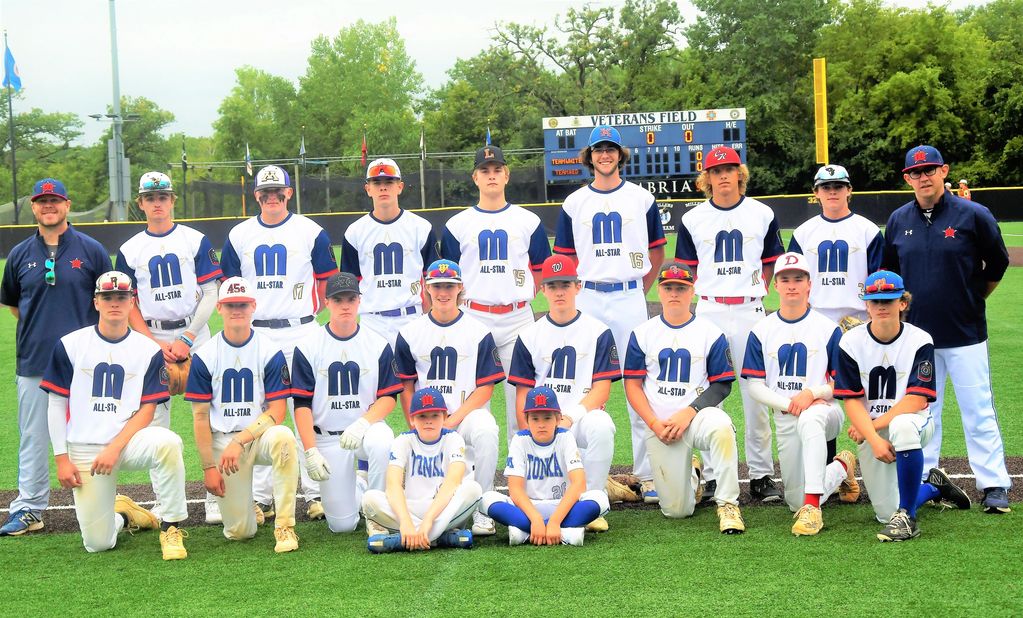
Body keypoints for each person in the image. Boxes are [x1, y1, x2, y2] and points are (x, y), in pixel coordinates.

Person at [882, 145, 1011, 514]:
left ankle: (994, 484)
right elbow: (890, 277)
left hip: (965, 332)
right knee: (923, 413)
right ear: (907, 178)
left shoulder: (973, 214)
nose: (923, 177)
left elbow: (998, 263)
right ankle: (928, 480)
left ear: (944, 171)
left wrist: (973, 297)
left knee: (978, 408)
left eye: (930, 170)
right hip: (918, 338)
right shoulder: (898, 220)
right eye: (915, 172)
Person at [553, 125, 666, 503]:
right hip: (588, 298)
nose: (605, 155)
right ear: (589, 156)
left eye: (611, 149)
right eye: (599, 149)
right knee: (584, 386)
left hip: (629, 296)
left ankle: (648, 475)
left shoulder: (641, 198)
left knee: (639, 381)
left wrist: (636, 290)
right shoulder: (573, 203)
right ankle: (582, 476)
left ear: (620, 155)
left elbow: (656, 253)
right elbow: (566, 259)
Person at [40, 271, 188, 559]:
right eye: (107, 297)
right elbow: (56, 404)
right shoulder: (70, 345)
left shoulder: (147, 349)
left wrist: (115, 447)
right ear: (96, 302)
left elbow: (148, 409)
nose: (114, 303)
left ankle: (171, 527)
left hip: (128, 442)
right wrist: (61, 458)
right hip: (86, 447)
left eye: (121, 297)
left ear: (132, 302)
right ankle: (123, 515)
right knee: (97, 543)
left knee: (168, 442)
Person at [221, 164, 339, 521]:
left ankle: (315, 492)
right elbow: (229, 285)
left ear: (289, 193)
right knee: (260, 411)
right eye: (265, 193)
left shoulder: (309, 230)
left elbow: (326, 280)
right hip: (257, 331)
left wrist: (312, 313)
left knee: (307, 406)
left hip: (301, 328)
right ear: (255, 196)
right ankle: (261, 498)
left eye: (278, 192)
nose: (272, 198)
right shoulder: (239, 234)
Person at [0, 178, 112, 537]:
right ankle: (30, 508)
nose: (48, 206)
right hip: (35, 360)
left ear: (67, 204)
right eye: (42, 201)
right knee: (33, 435)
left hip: (83, 363)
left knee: (90, 434)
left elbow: (108, 303)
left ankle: (99, 502)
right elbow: (15, 306)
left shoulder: (91, 250)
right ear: (33, 207)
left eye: (55, 200)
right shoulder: (18, 254)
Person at [675, 145, 785, 505]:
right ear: (705, 178)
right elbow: (685, 270)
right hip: (709, 311)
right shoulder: (692, 218)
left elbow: (772, 263)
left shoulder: (762, 213)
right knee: (708, 396)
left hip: (750, 310)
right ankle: (712, 476)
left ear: (741, 173)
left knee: (757, 393)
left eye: (729, 169)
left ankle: (761, 473)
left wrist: (756, 291)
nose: (723, 175)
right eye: (715, 171)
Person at [115, 171, 223, 523]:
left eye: (163, 197)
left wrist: (188, 337)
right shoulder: (130, 249)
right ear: (141, 204)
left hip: (195, 333)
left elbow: (210, 292)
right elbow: (128, 301)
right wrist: (151, 342)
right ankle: (165, 503)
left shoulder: (194, 239)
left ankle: (215, 499)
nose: (157, 203)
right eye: (150, 198)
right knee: (156, 423)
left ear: (172, 200)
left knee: (211, 414)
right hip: (151, 338)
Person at [834, 270, 972, 541]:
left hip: (916, 421)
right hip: (873, 429)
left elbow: (917, 399)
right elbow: (851, 399)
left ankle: (907, 516)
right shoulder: (850, 342)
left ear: (903, 303)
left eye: (889, 299)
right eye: (875, 301)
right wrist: (873, 438)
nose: (882, 306)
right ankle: (933, 486)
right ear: (866, 305)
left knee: (902, 426)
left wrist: (871, 428)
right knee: (885, 513)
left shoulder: (920, 339)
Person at [741, 252, 860, 536]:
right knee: (794, 501)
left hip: (824, 412)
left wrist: (813, 393)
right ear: (775, 286)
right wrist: (792, 403)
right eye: (785, 279)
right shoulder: (761, 330)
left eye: (798, 278)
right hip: (786, 416)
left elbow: (842, 384)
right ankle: (842, 465)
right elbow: (755, 386)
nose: (792, 284)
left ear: (809, 284)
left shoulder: (828, 329)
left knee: (811, 420)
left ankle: (814, 510)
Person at [622, 263, 746, 534]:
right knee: (677, 512)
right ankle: (692, 472)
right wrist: (654, 424)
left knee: (722, 426)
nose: (674, 293)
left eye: (681, 287)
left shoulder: (710, 332)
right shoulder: (642, 333)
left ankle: (727, 503)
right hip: (662, 426)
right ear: (659, 290)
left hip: (697, 418)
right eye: (668, 287)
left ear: (693, 291)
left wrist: (688, 412)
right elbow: (632, 385)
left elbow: (722, 385)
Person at [440, 145, 551, 441]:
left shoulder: (528, 221)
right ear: (475, 178)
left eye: (497, 170)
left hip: (518, 318)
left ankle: (524, 472)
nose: (491, 175)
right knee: (474, 404)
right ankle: (474, 479)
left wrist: (519, 293)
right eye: (485, 171)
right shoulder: (457, 224)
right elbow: (446, 276)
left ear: (506, 176)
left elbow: (542, 269)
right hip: (474, 316)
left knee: (523, 401)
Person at [185, 276, 300, 553]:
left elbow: (277, 411)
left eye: (243, 304)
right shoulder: (205, 354)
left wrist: (241, 441)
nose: (237, 309)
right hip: (223, 442)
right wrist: (208, 468)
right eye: (230, 304)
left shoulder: (269, 350)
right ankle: (247, 508)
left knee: (284, 437)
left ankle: (285, 525)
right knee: (240, 532)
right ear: (219, 308)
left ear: (253, 307)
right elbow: (200, 417)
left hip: (257, 436)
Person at [507, 254, 618, 532]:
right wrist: (527, 435)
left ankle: (588, 503)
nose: (559, 292)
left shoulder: (598, 331)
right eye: (553, 285)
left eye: (565, 285)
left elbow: (602, 388)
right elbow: (523, 393)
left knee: (602, 425)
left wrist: (570, 418)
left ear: (577, 286)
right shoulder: (528, 335)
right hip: (542, 422)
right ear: (542, 289)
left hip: (578, 418)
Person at [393, 259, 503, 536]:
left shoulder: (479, 331)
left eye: (449, 286)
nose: (443, 292)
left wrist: (453, 420)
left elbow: (485, 388)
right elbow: (406, 385)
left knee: (487, 428)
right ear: (427, 289)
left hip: (462, 416)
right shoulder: (410, 333)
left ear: (460, 288)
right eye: (437, 286)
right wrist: (412, 422)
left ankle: (482, 507)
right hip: (426, 420)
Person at [290, 272, 400, 533]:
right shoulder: (308, 346)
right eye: (338, 300)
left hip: (365, 430)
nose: (345, 305)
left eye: (351, 299)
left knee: (383, 441)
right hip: (327, 438)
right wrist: (310, 450)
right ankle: (359, 486)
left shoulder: (377, 343)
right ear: (327, 302)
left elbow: (388, 397)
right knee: (342, 526)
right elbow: (301, 405)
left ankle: (377, 512)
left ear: (359, 301)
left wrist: (363, 423)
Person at [479, 386, 610, 546]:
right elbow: (515, 489)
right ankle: (565, 533)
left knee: (600, 499)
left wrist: (554, 521)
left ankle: (525, 533)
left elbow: (578, 484)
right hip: (528, 508)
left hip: (562, 506)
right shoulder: (520, 440)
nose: (541, 424)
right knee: (486, 500)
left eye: (547, 418)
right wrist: (535, 519)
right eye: (535, 418)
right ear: (526, 419)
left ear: (558, 418)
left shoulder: (565, 437)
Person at [361, 387, 483, 553]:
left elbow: (452, 483)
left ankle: (409, 538)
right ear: (412, 419)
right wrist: (405, 522)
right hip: (411, 509)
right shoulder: (403, 440)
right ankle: (438, 538)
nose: (429, 421)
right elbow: (393, 486)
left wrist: (428, 521)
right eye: (422, 416)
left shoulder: (454, 439)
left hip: (443, 509)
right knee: (369, 499)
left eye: (435, 415)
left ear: (445, 417)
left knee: (473, 489)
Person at [340, 158, 438, 348]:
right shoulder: (355, 232)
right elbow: (350, 283)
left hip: (411, 317)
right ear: (368, 189)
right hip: (372, 321)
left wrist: (426, 313)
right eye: (377, 183)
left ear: (400, 187)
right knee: (374, 378)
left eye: (389, 182)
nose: (383, 188)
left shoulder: (421, 227)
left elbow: (433, 278)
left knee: (415, 377)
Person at [788, 165, 884, 324]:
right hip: (814, 318)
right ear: (816, 192)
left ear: (849, 190)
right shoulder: (802, 233)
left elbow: (879, 278)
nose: (832, 191)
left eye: (838, 186)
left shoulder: (868, 230)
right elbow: (793, 278)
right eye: (825, 187)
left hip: (860, 318)